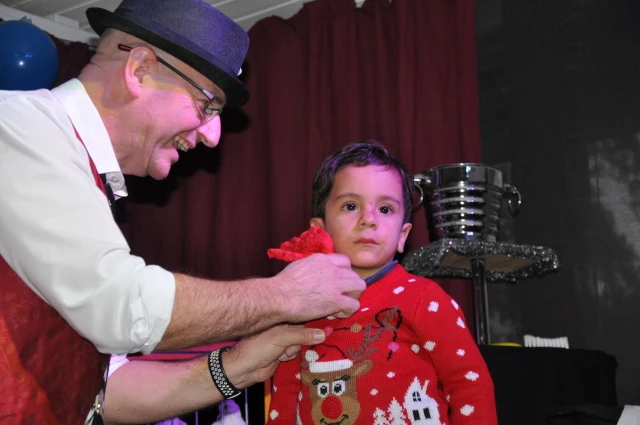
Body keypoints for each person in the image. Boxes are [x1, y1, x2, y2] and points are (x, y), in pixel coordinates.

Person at [0, 0, 365, 423]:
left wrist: (238, 365)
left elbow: (105, 390)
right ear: (139, 69)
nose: (213, 135)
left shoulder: (75, 171)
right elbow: (120, 306)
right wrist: (285, 295)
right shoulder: (19, 126)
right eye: (207, 104)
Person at [265, 140, 498, 425]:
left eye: (385, 209)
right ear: (319, 231)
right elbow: (285, 399)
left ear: (403, 235)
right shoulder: (301, 308)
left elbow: (469, 384)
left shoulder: (425, 299)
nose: (369, 220)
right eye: (351, 206)